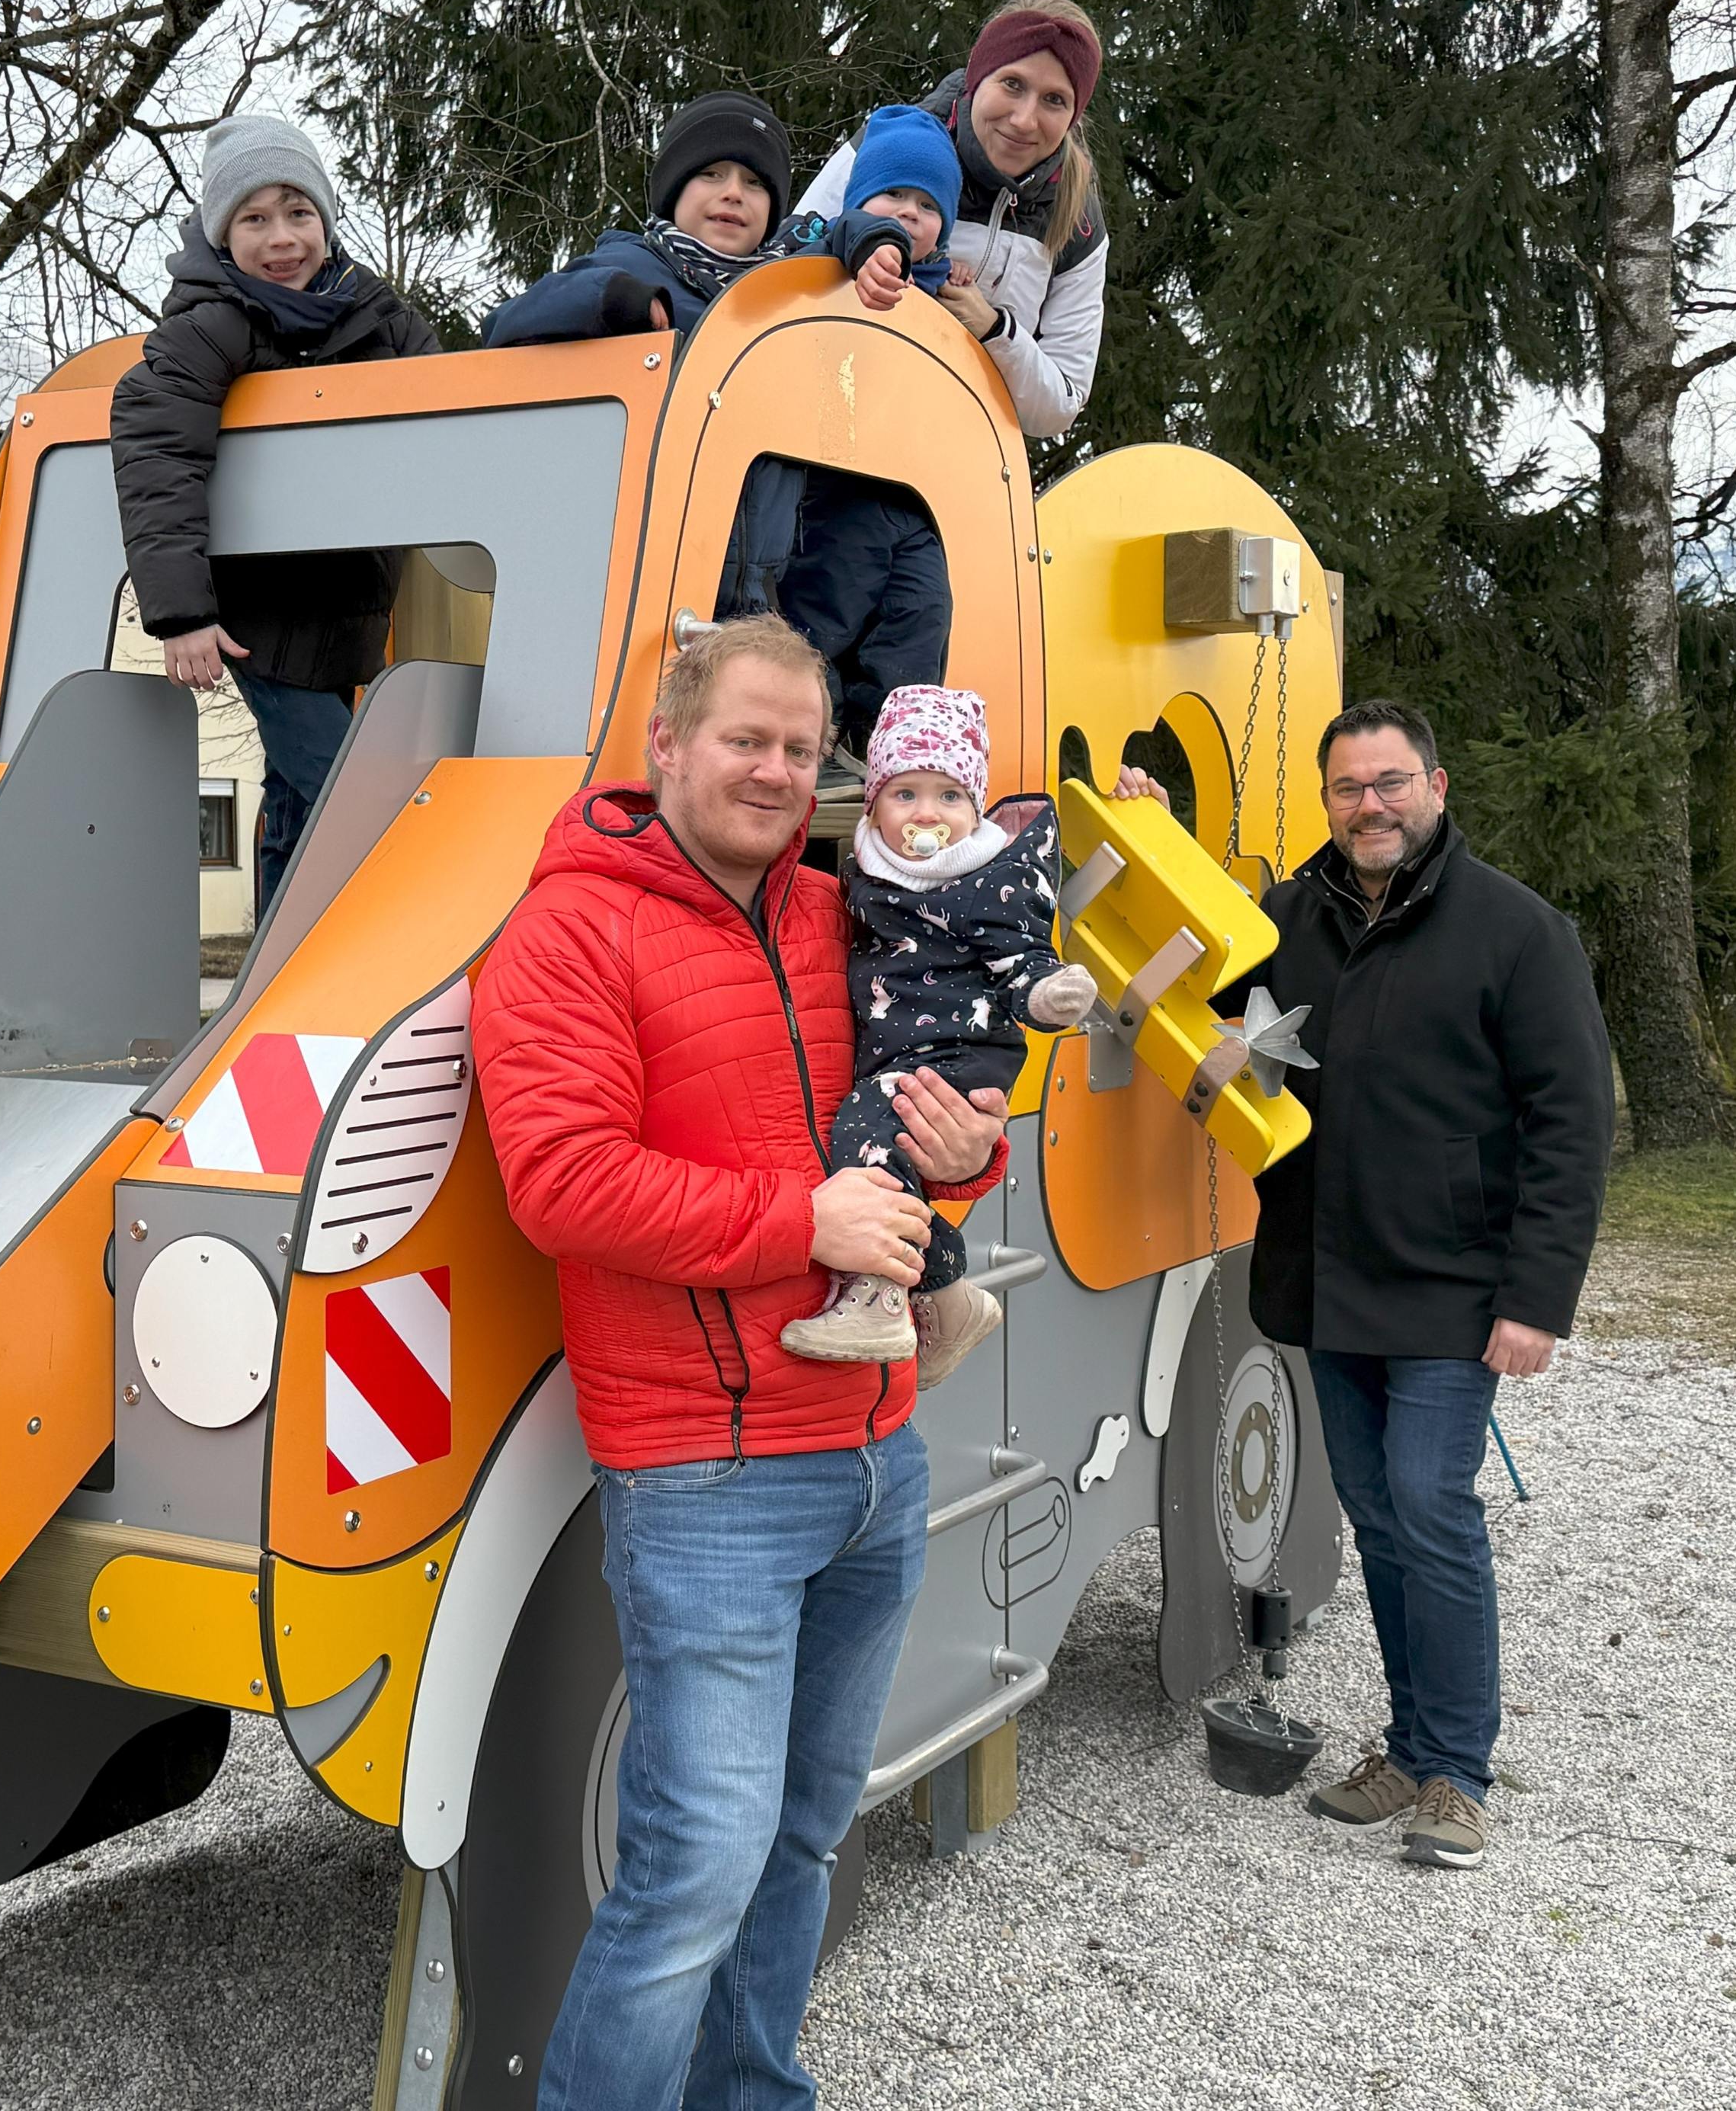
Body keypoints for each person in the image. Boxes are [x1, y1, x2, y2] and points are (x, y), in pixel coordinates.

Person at [469, 615, 1011, 2111]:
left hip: (870, 1458)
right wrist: (802, 1217)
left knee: (802, 1836)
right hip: (706, 1475)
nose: (774, 772)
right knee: (693, 1870)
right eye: (743, 740)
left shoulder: (837, 917)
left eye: (797, 747)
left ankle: (752, 2093)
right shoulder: (566, 932)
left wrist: (962, 1160)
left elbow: (904, 1139)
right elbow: (563, 1187)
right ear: (664, 749)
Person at [1244, 698, 1613, 1873]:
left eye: (1391, 782)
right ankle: (1406, 1746)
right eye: (1350, 788)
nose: (1371, 805)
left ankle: (1457, 1772)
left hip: (1454, 1284)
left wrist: (1536, 1299)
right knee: (1377, 1513)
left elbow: (1572, 1122)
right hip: (1327, 1272)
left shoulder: (1517, 929)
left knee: (1431, 1505)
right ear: (1329, 800)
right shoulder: (1286, 919)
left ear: (1437, 788)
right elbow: (1208, 1005)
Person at [110, 114, 441, 908]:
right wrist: (180, 613)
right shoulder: (211, 326)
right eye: (253, 219)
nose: (281, 237)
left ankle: (269, 972)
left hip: (351, 607)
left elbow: (453, 402)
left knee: (297, 807)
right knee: (349, 794)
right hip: (257, 615)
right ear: (224, 236)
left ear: (325, 221)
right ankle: (327, 964)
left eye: (298, 212)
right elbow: (158, 455)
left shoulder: (376, 317)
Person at [781, 684, 1094, 1373]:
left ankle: (881, 1295)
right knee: (881, 1141)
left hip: (960, 1049)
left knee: (866, 1128)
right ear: (873, 805)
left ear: (975, 807)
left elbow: (1017, 945)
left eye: (950, 797)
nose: (929, 815)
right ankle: (949, 1293)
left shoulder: (981, 875)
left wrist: (1044, 991)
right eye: (905, 795)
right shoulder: (865, 876)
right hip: (905, 1046)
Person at [722, 106, 966, 759]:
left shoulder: (944, 290)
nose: (909, 214)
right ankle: (813, 735)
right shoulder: (829, 255)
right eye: (894, 196)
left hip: (914, 495)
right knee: (825, 614)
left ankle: (894, 744)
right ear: (860, 203)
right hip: (836, 483)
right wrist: (866, 245)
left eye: (926, 204)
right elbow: (822, 240)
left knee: (922, 615)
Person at [797, 0, 1109, 439]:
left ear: (1074, 115)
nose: (1024, 119)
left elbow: (1059, 405)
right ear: (978, 78)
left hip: (962, 462)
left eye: (1054, 100)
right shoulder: (893, 145)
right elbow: (786, 263)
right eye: (1013, 84)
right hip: (830, 423)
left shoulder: (1077, 218)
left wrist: (995, 330)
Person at [479, 89, 792, 345]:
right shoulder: (625, 266)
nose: (734, 193)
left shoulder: (795, 288)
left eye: (756, 183)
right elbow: (502, 327)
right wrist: (610, 300)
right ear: (674, 190)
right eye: (711, 174)